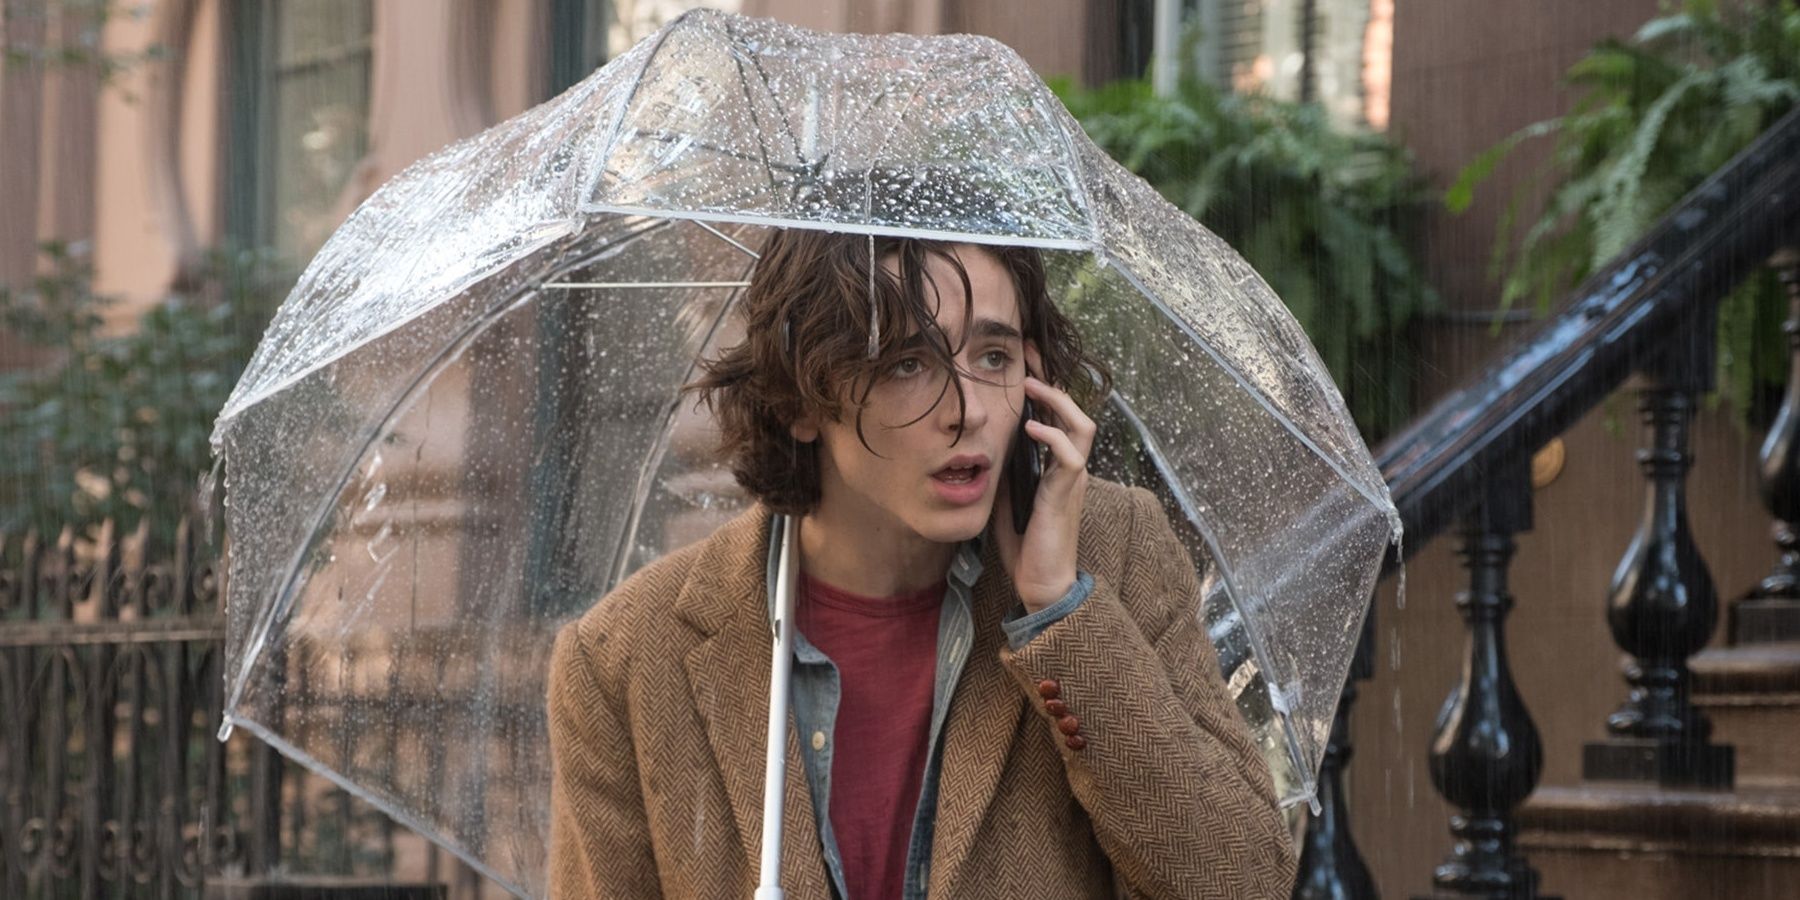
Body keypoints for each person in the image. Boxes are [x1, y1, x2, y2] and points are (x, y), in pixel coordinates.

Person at [546, 228, 1296, 899]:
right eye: (909, 364)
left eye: (993, 357)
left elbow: (1244, 881)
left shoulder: (1114, 552)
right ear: (804, 399)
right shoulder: (626, 661)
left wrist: (1060, 613)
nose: (967, 408)